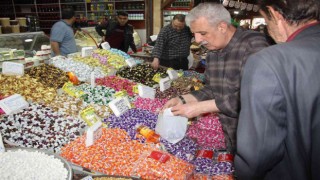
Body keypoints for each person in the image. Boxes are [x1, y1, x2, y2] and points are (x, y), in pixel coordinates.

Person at [162, 3, 269, 153]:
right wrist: (183, 99)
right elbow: (212, 89)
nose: (198, 40)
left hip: (255, 137)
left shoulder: (253, 45)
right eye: (194, 34)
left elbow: (257, 98)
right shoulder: (213, 52)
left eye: (203, 33)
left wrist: (201, 107)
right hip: (231, 136)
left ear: (222, 27)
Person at [235, 0, 320, 179]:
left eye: (266, 22)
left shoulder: (269, 61)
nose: (268, 30)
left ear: (275, 14)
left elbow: (257, 154)